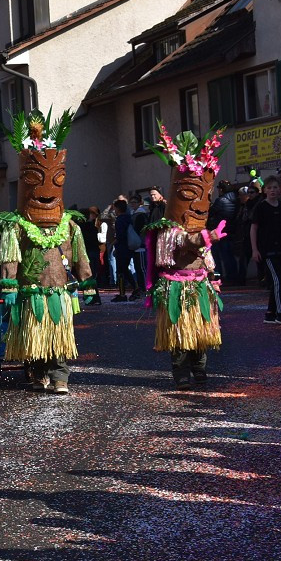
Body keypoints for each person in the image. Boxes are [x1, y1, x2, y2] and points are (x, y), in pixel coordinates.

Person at [0, 113, 94, 395]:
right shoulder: (18, 227)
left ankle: (60, 377)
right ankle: (38, 374)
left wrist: (86, 281)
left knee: (60, 338)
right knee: (35, 337)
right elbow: (10, 257)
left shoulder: (70, 226)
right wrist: (10, 283)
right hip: (31, 290)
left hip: (60, 292)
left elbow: (79, 255)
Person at [144, 127, 225, 390]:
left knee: (201, 333)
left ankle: (200, 371)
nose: (200, 205)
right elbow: (186, 243)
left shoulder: (200, 229)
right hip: (176, 286)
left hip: (200, 284)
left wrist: (212, 279)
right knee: (179, 332)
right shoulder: (171, 231)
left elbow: (206, 257)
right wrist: (207, 236)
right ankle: (180, 373)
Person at [250, 176, 281, 325]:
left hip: (280, 248)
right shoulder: (261, 207)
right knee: (278, 281)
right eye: (269, 188)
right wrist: (254, 249)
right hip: (267, 249)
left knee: (278, 280)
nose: (272, 190)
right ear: (264, 190)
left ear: (279, 189)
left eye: (275, 187)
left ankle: (270, 313)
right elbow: (254, 228)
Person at [111, 200, 139, 302]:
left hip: (122, 248)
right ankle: (135, 287)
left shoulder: (120, 219)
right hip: (128, 247)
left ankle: (122, 294)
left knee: (121, 271)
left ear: (118, 208)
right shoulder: (129, 218)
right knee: (126, 270)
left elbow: (121, 235)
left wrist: (115, 245)